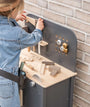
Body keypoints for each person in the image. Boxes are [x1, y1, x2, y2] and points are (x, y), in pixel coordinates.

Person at [0, 0, 44, 107]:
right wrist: (38, 29)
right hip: (6, 81)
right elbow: (33, 39)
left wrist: (13, 18)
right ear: (13, 11)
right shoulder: (16, 33)